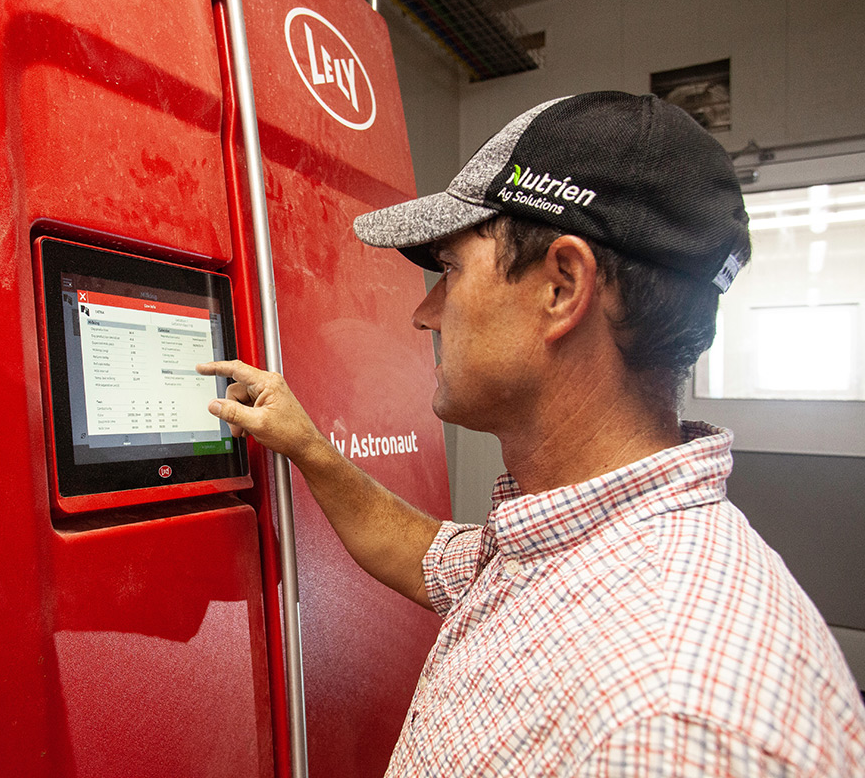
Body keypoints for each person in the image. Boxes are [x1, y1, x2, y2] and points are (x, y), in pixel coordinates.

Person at [198, 91, 865, 776]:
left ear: (561, 287)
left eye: (450, 271)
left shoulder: (671, 722)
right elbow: (427, 555)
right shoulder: (574, 546)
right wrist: (306, 444)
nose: (425, 314)